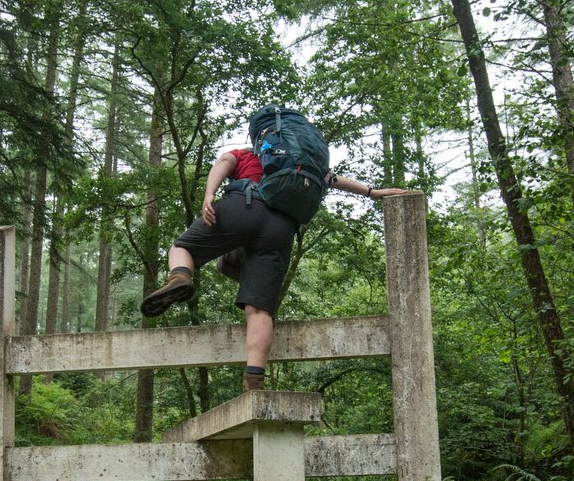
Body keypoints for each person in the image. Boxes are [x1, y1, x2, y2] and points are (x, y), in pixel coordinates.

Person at [140, 136, 404, 392]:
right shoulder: (297, 165)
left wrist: (209, 194)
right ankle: (253, 383)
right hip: (280, 227)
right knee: (258, 311)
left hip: (243, 206)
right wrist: (373, 192)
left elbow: (223, 161)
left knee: (182, 247)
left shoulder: (247, 153)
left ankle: (180, 277)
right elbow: (332, 180)